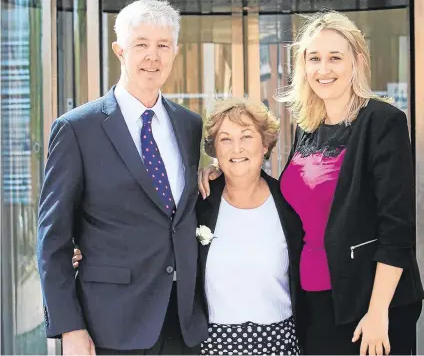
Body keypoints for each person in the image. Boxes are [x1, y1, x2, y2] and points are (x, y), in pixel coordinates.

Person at [198, 11, 424, 356]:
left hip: (366, 302)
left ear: (357, 62)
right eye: (314, 58)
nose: (323, 68)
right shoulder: (310, 125)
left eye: (335, 57)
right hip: (312, 300)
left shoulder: (382, 121)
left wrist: (378, 311)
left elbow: (397, 229)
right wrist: (221, 168)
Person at [36, 0, 207, 355]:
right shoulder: (77, 129)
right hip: (109, 325)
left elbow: (178, 211)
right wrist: (70, 327)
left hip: (182, 321)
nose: (153, 56)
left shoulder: (188, 125)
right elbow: (53, 240)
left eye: (163, 46)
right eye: (141, 44)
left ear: (175, 51)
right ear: (119, 50)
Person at [73, 98, 304, 355]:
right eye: (225, 139)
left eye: (246, 137)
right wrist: (91, 250)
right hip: (210, 346)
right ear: (215, 150)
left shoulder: (289, 204)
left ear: (265, 145)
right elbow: (148, 231)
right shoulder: (197, 201)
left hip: (280, 344)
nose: (236, 148)